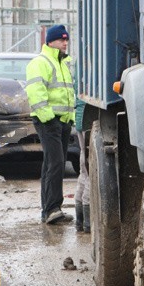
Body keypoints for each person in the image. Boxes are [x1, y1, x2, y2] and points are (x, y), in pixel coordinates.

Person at [25, 24, 75, 224]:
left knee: (55, 164)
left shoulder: (63, 63)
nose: (65, 43)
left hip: (61, 121)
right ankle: (51, 209)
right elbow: (36, 93)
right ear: (51, 41)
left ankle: (52, 209)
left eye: (66, 40)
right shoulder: (40, 62)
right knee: (54, 164)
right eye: (62, 40)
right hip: (49, 121)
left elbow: (66, 94)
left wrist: (68, 118)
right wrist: (49, 119)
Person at [74, 98, 90, 233]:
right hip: (88, 117)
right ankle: (88, 223)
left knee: (84, 171)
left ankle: (81, 220)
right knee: (90, 173)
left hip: (82, 116)